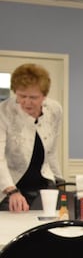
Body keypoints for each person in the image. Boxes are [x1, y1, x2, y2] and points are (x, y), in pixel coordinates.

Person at [0, 63, 63, 212]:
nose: (27, 102)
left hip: (43, 186)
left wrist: (60, 181)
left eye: (34, 97)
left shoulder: (54, 110)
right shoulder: (3, 112)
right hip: (10, 187)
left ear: (44, 95)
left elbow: (51, 151)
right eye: (21, 96)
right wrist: (11, 191)